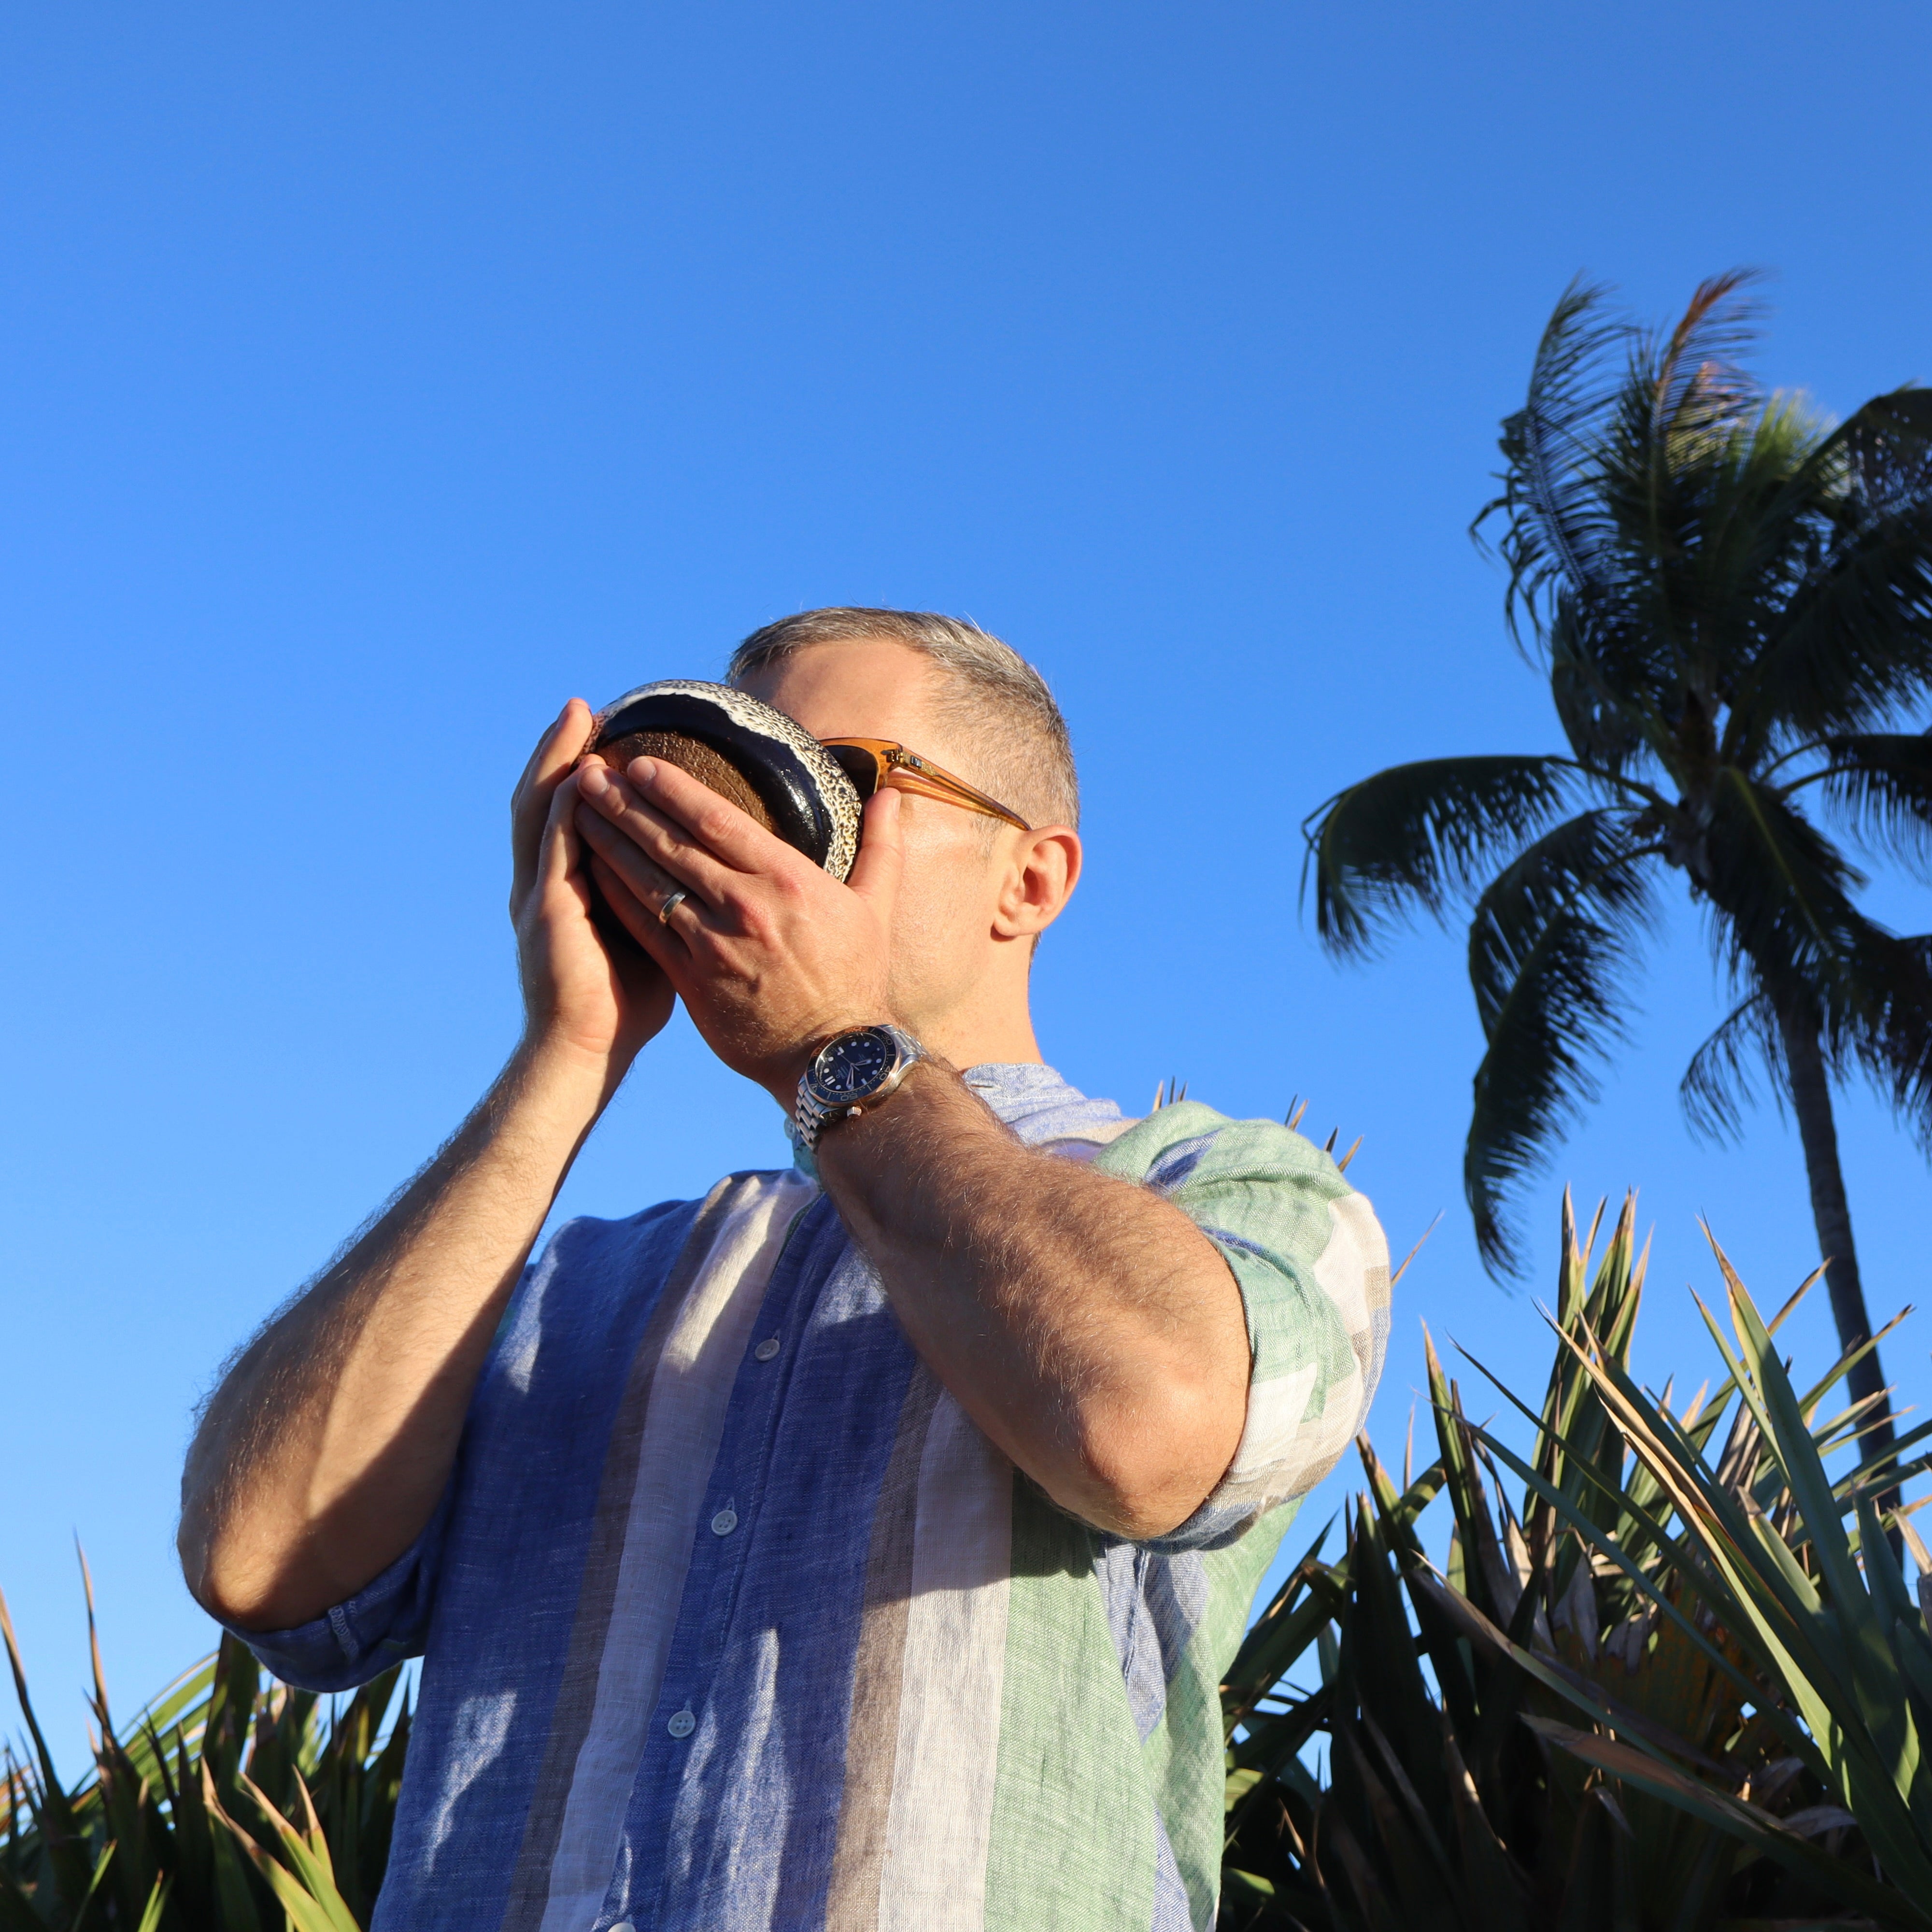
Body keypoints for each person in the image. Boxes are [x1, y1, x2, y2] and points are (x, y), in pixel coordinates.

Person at [178, 608, 1391, 1932]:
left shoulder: (1216, 1193)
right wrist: (565, 1058)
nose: (745, 829)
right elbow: (261, 1563)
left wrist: (835, 1045)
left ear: (1031, 882)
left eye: (837, 780)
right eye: (720, 764)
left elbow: (1152, 1420)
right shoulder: (579, 1282)